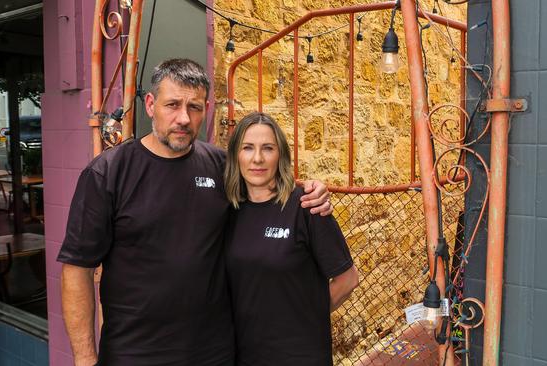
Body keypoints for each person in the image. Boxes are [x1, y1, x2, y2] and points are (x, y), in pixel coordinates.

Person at [57, 59, 331, 366]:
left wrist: (308, 189)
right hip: (135, 352)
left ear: (206, 109)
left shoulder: (220, 165)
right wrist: (84, 359)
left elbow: (265, 186)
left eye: (195, 107)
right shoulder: (108, 173)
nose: (184, 118)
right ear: (150, 104)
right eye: (172, 104)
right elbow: (76, 269)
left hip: (213, 351)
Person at [224, 112, 359, 366]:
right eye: (247, 148)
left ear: (280, 156)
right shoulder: (228, 211)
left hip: (299, 354)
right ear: (235, 156)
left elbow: (348, 278)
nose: (257, 158)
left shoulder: (306, 206)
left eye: (268, 148)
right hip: (246, 353)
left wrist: (305, 316)